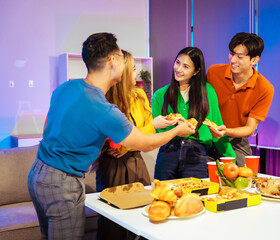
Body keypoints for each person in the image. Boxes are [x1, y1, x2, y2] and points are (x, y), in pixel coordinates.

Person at [27, 32, 194, 240]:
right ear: (112, 61)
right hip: (62, 182)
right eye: (123, 60)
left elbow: (47, 130)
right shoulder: (105, 110)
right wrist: (177, 130)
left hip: (37, 174)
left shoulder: (65, 88)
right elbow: (146, 144)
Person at [95, 50, 174, 240]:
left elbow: (140, 136)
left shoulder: (140, 95)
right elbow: (118, 141)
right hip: (113, 166)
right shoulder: (107, 99)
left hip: (136, 161)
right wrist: (144, 133)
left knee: (144, 214)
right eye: (131, 69)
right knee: (113, 221)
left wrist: (130, 144)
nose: (135, 73)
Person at [152, 47, 236, 180]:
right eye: (177, 62)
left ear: (196, 71)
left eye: (186, 66)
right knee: (164, 197)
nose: (178, 69)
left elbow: (217, 127)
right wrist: (172, 130)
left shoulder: (208, 92)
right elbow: (155, 134)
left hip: (197, 156)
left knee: (195, 197)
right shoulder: (160, 95)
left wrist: (231, 159)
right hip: (168, 154)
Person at [207, 32, 274, 167]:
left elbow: (249, 129)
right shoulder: (213, 72)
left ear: (254, 60)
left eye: (240, 56)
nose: (233, 60)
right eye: (232, 53)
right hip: (206, 134)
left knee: (244, 175)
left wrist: (225, 131)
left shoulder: (265, 88)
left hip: (235, 138)